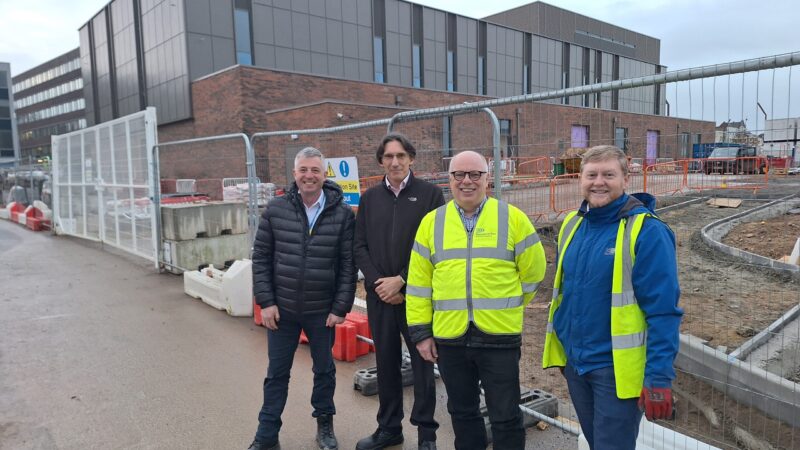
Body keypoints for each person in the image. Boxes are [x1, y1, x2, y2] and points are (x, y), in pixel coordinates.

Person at [542, 145, 683, 450]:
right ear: (580, 179)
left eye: (608, 174)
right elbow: (567, 293)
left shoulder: (646, 231)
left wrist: (658, 376)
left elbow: (663, 312)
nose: (599, 182)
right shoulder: (572, 225)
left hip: (615, 372)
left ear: (625, 179)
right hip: (577, 365)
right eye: (591, 174)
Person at [406, 150, 547, 450]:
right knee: (462, 412)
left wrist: (508, 304)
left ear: (487, 179)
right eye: (459, 174)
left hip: (499, 337)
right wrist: (421, 333)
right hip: (450, 337)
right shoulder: (432, 223)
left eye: (475, 174)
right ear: (450, 179)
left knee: (506, 415)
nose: (466, 181)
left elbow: (534, 272)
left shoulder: (513, 218)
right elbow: (419, 284)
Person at [248, 147, 356, 450]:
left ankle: (324, 425)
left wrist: (340, 307)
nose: (309, 176)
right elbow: (261, 258)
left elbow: (348, 264)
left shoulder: (342, 214)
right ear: (295, 174)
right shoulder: (276, 208)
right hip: (281, 310)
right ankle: (267, 435)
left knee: (325, 371)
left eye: (315, 171)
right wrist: (265, 301)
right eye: (304, 170)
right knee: (276, 375)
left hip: (322, 312)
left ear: (324, 175)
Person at [354, 133, 445, 450]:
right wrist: (380, 283)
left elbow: (437, 246)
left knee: (423, 366)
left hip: (416, 298)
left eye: (401, 156)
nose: (395, 162)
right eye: (389, 156)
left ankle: (426, 435)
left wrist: (403, 281)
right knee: (387, 364)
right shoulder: (369, 198)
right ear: (381, 160)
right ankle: (389, 428)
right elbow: (359, 245)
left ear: (411, 159)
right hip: (381, 297)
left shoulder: (431, 195)